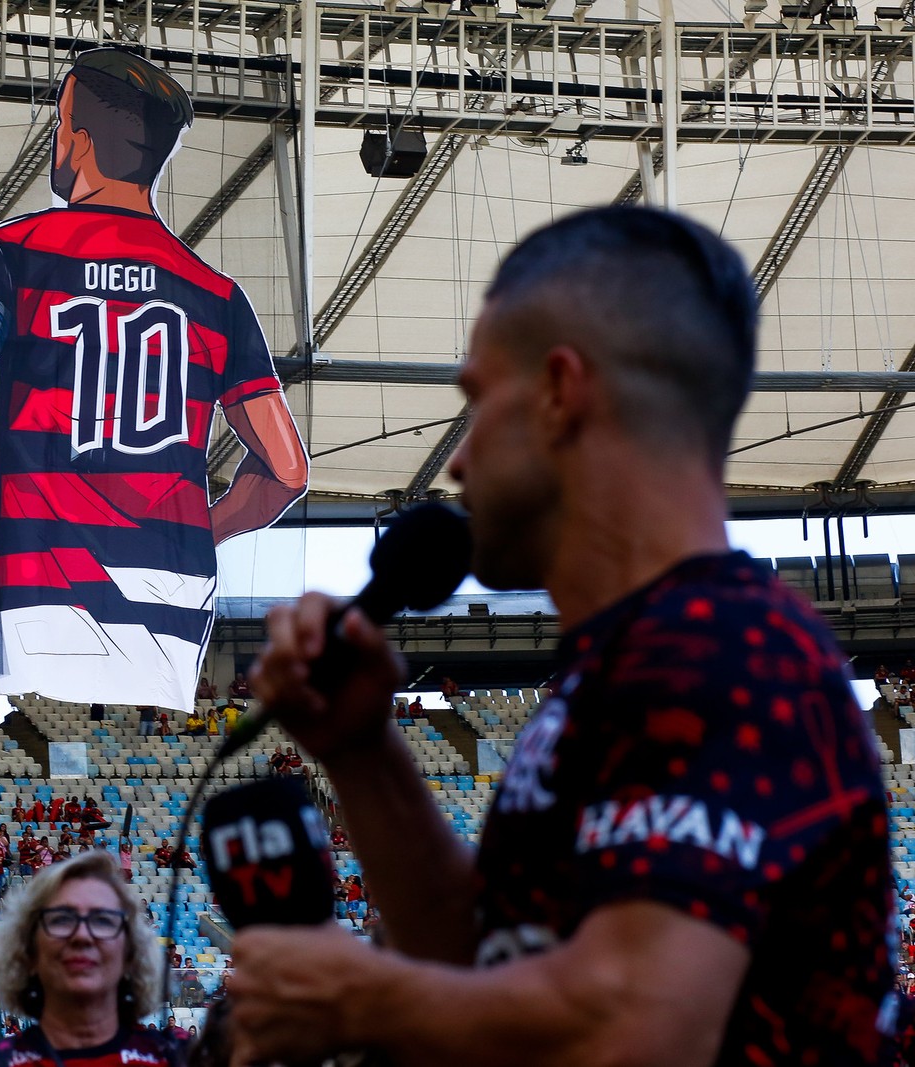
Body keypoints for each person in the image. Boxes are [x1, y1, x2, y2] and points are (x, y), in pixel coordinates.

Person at [225, 208, 897, 1067]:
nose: (458, 460)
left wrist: (356, 993)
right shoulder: (628, 666)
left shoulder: (724, 650)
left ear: (558, 391)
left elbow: (636, 1034)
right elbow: (483, 972)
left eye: (476, 402)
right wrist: (363, 752)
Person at [0, 47, 308, 713]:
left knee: (44, 729)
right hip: (173, 591)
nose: (56, 142)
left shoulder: (10, 254)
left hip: (44, 574)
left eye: (60, 125)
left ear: (81, 141)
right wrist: (206, 528)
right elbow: (287, 470)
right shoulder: (217, 297)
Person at [0, 850, 177, 1067]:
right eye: (61, 919)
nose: (82, 936)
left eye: (102, 920)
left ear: (130, 955)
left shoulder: (178, 1056)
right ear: (27, 953)